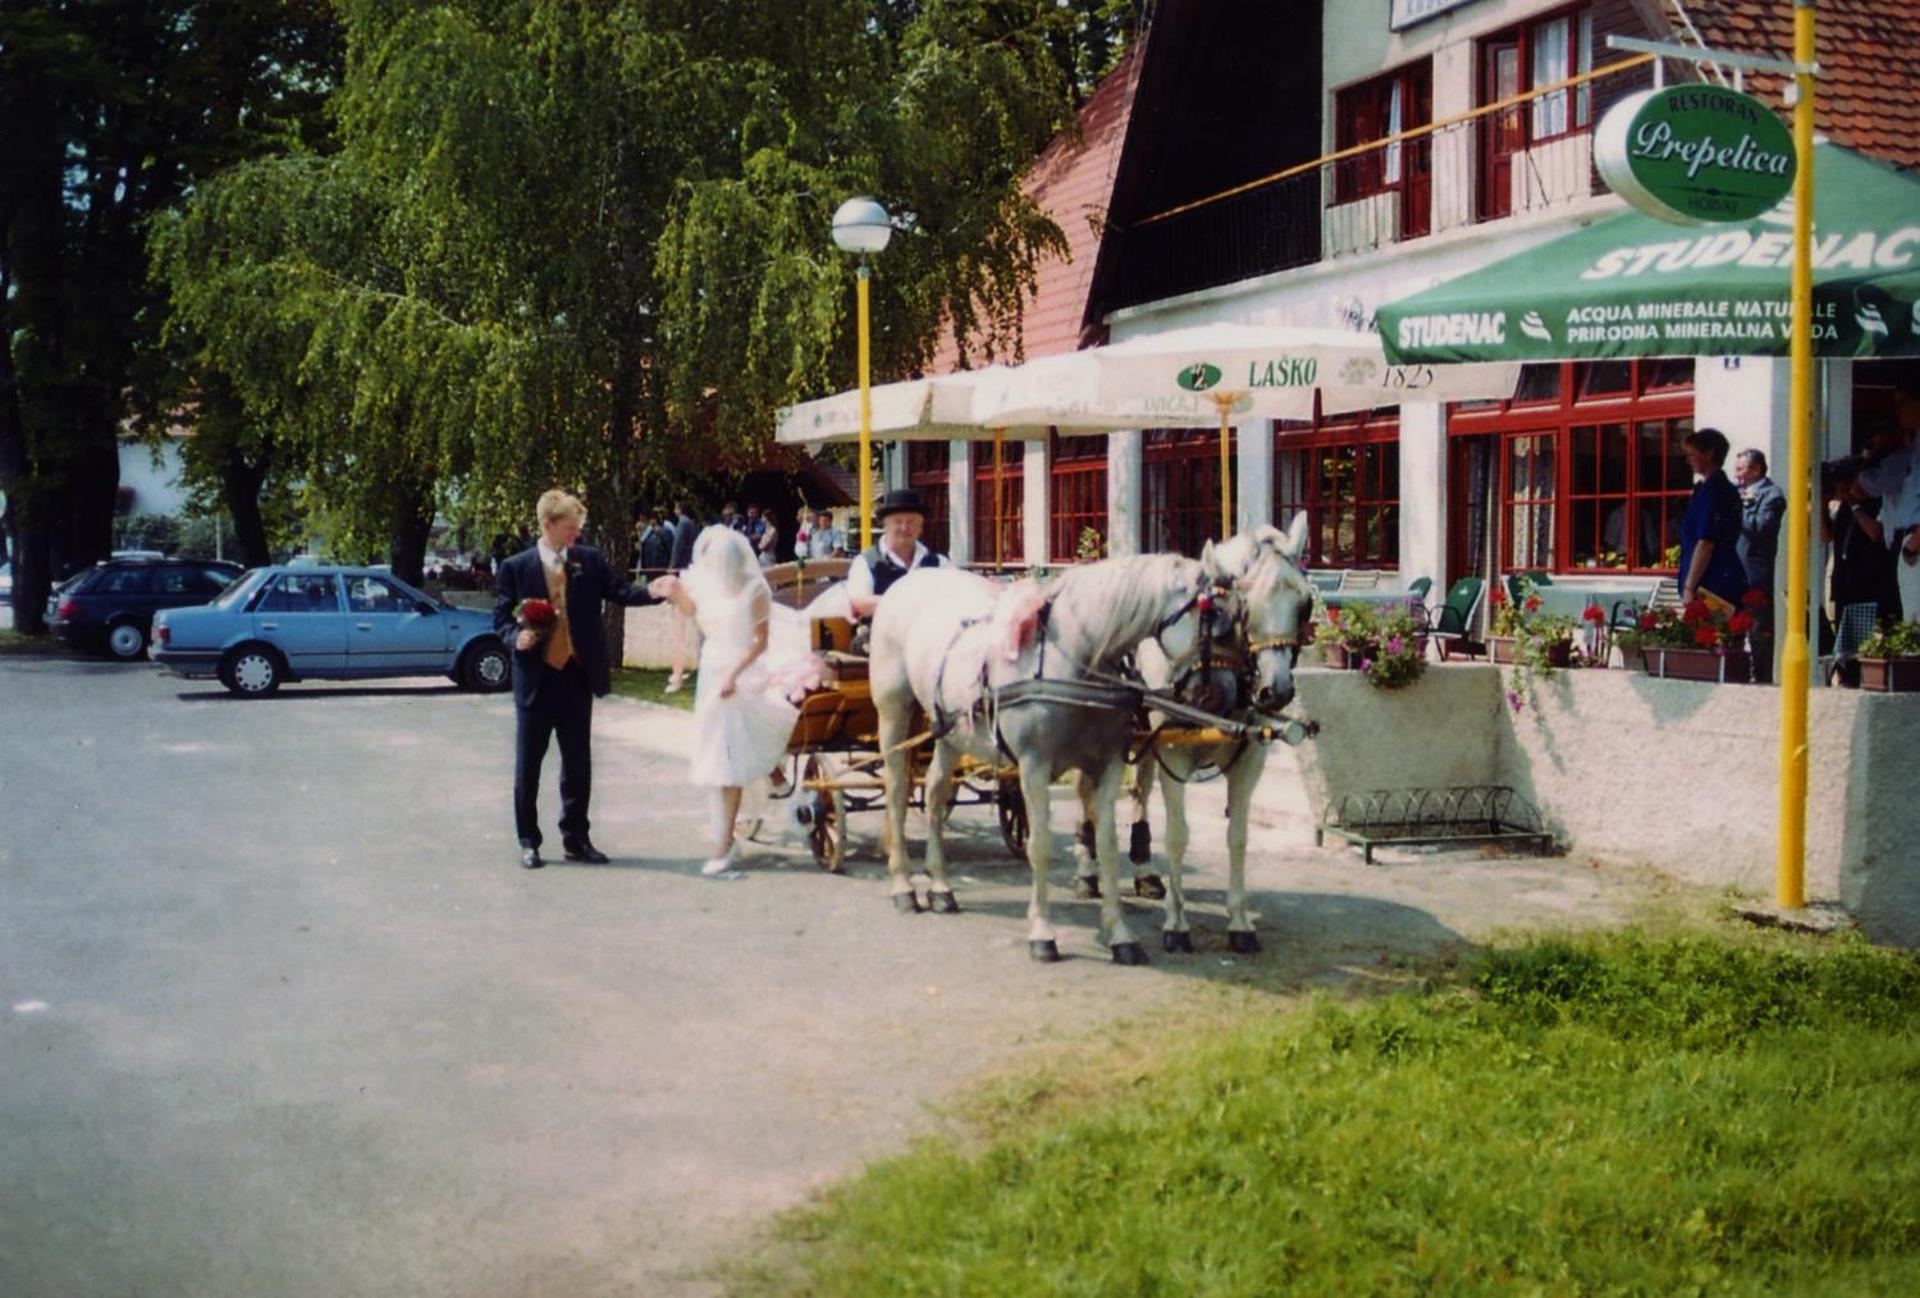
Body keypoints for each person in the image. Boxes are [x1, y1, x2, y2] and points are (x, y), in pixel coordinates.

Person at [493, 489, 656, 870]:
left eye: (578, 528)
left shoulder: (588, 561)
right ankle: (529, 840)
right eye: (569, 528)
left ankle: (576, 838)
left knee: (578, 763)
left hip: (576, 676)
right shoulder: (516, 567)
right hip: (536, 678)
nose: (575, 535)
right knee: (528, 764)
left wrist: (655, 591)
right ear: (547, 525)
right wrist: (514, 638)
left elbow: (621, 592)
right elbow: (500, 618)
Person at [648, 527, 798, 876]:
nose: (719, 570)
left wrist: (734, 674)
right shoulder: (706, 584)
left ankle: (724, 844)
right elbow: (690, 610)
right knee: (724, 751)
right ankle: (775, 777)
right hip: (713, 671)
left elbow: (760, 642)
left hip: (743, 671)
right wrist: (674, 591)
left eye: (724, 563)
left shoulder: (755, 588)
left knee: (727, 760)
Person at [1824, 461, 1896, 683]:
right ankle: (1848, 677)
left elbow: (1875, 533)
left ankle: (1868, 679)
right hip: (1846, 583)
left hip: (1871, 583)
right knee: (1846, 643)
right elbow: (1825, 536)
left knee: (1869, 641)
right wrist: (1820, 501)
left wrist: (1855, 504)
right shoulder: (1843, 507)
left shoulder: (1877, 502)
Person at [1858, 377, 1920, 621]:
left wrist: (1914, 542)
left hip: (1913, 538)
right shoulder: (1911, 449)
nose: (1898, 410)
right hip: (1903, 539)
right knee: (1908, 617)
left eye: (1903, 402)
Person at [1677, 428, 1750, 611]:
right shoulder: (1709, 489)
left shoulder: (1713, 492)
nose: (1689, 460)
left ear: (1709, 454)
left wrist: (1689, 587)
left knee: (1712, 636)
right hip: (1721, 575)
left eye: (1693, 455)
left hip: (1712, 581)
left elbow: (1706, 543)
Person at [847, 488, 946, 621]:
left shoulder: (939, 563)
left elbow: (957, 595)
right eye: (898, 522)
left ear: (921, 527)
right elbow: (860, 603)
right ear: (885, 526)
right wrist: (909, 604)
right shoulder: (866, 562)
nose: (904, 528)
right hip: (880, 638)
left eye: (911, 522)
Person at [1734, 447, 1785, 682]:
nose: (1737, 475)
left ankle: (1762, 682)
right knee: (1730, 632)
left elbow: (1762, 528)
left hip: (1755, 575)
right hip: (1732, 574)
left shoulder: (1772, 494)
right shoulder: (1736, 491)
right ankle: (1733, 677)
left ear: (1756, 469)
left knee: (1759, 634)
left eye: (1741, 469)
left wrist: (1740, 507)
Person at [666, 500, 700, 693]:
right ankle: (679, 672)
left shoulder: (683, 523)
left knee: (678, 627)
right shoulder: (692, 524)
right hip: (691, 572)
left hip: (683, 575)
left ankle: (677, 675)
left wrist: (672, 568)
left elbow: (678, 547)